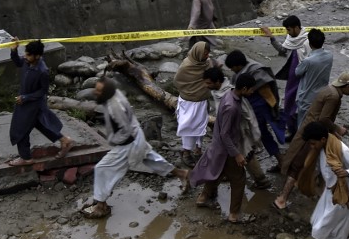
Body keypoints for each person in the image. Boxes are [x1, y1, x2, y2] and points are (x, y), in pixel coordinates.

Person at [82, 77, 189, 218]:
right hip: (136, 135)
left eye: (99, 91)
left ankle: (101, 205)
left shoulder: (115, 107)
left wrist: (118, 147)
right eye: (96, 89)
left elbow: (125, 131)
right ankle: (182, 174)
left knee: (102, 168)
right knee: (153, 160)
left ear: (107, 92)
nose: (96, 92)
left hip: (128, 142)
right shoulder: (114, 96)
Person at [274, 71, 349, 210]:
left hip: (312, 129)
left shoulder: (329, 90)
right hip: (313, 133)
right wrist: (337, 129)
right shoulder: (334, 97)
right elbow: (324, 118)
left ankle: (316, 192)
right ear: (347, 86)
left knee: (315, 164)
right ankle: (282, 199)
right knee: (298, 165)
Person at [190, 73, 257, 223]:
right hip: (227, 149)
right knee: (239, 179)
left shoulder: (229, 95)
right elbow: (225, 134)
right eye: (252, 90)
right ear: (244, 88)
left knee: (216, 173)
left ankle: (203, 197)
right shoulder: (232, 107)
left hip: (218, 147)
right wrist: (237, 154)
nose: (253, 92)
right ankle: (234, 214)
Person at [7, 39, 73, 166]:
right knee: (42, 124)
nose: (25, 57)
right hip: (26, 102)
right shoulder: (27, 61)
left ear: (37, 56)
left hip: (32, 104)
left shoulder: (42, 71)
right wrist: (14, 50)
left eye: (28, 55)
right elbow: (17, 62)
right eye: (25, 54)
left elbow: (43, 91)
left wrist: (25, 98)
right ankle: (65, 140)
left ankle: (25, 158)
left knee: (20, 129)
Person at [224, 50, 285, 171]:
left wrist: (273, 108)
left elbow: (268, 92)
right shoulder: (242, 71)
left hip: (258, 109)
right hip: (250, 108)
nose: (232, 71)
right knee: (258, 135)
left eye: (232, 68)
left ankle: (281, 162)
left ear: (238, 65)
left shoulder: (255, 71)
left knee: (261, 134)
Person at [261, 16, 309, 139]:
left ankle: (301, 133)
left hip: (304, 78)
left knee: (302, 105)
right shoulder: (291, 39)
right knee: (288, 103)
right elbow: (283, 50)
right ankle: (293, 131)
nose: (287, 33)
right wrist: (271, 37)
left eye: (289, 30)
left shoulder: (308, 40)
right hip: (292, 79)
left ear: (297, 27)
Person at [173, 38, 217, 166]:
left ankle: (198, 151)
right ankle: (186, 153)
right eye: (205, 53)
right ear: (198, 52)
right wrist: (191, 91)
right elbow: (177, 82)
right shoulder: (186, 66)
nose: (207, 55)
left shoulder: (207, 63)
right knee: (188, 127)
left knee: (201, 127)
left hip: (202, 102)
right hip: (188, 103)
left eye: (208, 53)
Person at [293, 28, 333, 128]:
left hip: (307, 97)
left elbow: (297, 72)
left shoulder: (308, 61)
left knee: (303, 126)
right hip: (322, 95)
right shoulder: (329, 56)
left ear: (310, 43)